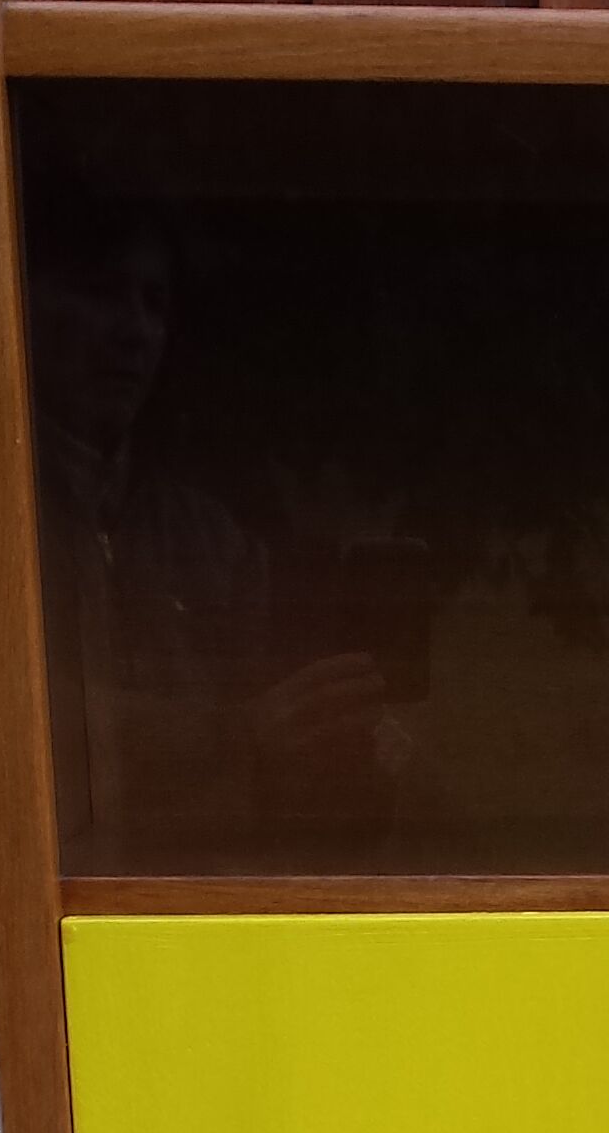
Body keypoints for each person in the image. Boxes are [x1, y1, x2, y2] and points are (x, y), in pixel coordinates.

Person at [25, 188, 397, 862]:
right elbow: (26, 728)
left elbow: (271, 763)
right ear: (24, 303)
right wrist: (239, 735)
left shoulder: (211, 536)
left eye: (154, 303)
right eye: (101, 292)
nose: (134, 330)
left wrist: (348, 751)